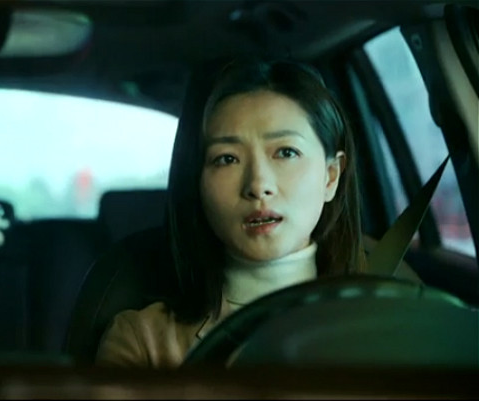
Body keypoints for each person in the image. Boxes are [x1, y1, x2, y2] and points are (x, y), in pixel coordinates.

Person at [96, 59, 366, 368]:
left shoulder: (386, 322)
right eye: (227, 159)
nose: (258, 185)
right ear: (198, 183)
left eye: (286, 152)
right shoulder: (144, 342)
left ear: (331, 177)